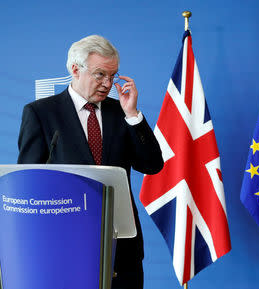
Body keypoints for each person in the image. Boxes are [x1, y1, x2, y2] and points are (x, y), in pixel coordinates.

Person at [17, 35, 164, 289]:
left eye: (113, 75)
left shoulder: (122, 112)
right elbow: (29, 184)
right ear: (75, 69)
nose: (108, 84)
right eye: (100, 75)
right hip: (64, 247)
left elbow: (152, 164)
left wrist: (133, 115)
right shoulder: (40, 113)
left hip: (121, 249)